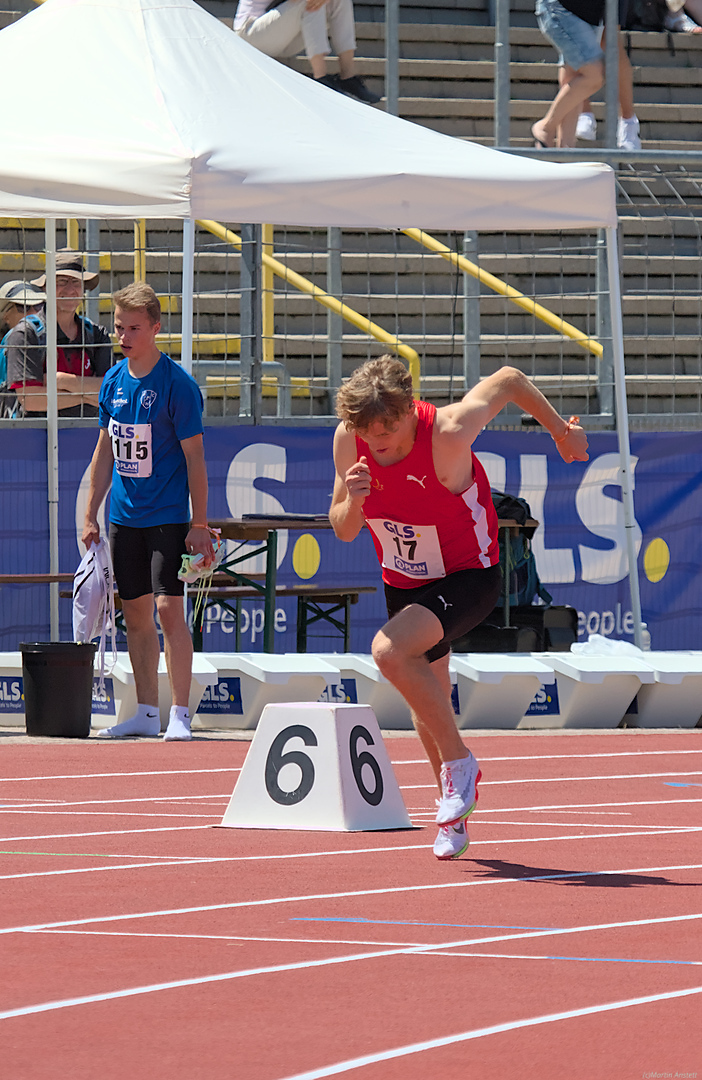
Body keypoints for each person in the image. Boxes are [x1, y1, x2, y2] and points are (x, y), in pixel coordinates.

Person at [329, 356, 588, 859]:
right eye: (369, 436)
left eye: (388, 434)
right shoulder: (349, 439)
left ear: (408, 412)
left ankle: (461, 765)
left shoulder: (447, 431)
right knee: (427, 695)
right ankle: (454, 810)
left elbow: (510, 379)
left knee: (388, 652)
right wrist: (356, 500)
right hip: (405, 580)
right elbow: (341, 526)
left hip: (469, 575)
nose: (378, 446)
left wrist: (559, 432)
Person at [82, 282, 215, 741]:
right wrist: (89, 513)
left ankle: (180, 712)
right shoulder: (114, 380)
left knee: (167, 609)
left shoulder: (177, 385)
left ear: (156, 328)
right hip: (123, 517)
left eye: (134, 327)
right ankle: (144, 711)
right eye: (119, 327)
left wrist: (199, 523)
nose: (124, 335)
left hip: (168, 516)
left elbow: (196, 458)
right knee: (134, 613)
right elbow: (104, 453)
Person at [5, 250, 113, 417]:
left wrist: (62, 381)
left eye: (76, 282)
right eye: (62, 281)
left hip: (88, 435)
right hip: (36, 438)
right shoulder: (25, 335)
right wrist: (86, 396)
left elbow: (111, 392)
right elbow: (31, 400)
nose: (70, 290)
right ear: (45, 287)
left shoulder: (97, 334)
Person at [233, 0, 380, 103]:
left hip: (281, 36)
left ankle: (348, 76)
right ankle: (320, 76)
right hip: (250, 33)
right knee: (310, 3)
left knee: (339, 1)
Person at [532, 0, 608, 149]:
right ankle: (546, 126)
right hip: (562, 8)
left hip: (589, 14)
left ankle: (565, 151)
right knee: (595, 74)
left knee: (573, 78)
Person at [0, 280, 46, 416]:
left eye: (38, 306)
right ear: (5, 316)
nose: (34, 312)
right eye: (23, 307)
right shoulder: (14, 338)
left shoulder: (39, 338)